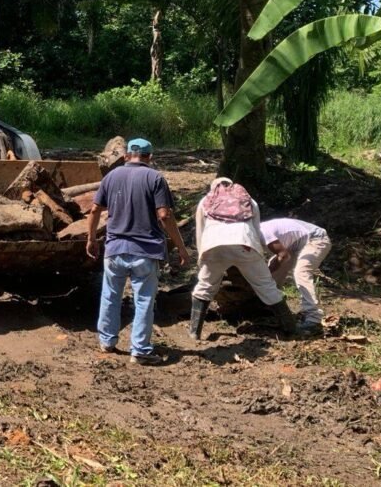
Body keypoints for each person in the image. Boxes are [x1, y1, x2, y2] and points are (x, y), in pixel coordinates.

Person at [86, 137, 190, 365]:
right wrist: (181, 248)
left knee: (110, 295)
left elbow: (94, 210)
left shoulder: (111, 177)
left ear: (125, 157)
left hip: (114, 249)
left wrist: (91, 238)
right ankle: (140, 350)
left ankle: (107, 341)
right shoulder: (155, 178)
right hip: (146, 250)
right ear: (150, 157)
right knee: (143, 300)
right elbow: (164, 215)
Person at [188, 178, 297, 339]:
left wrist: (202, 258)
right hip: (245, 244)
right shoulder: (248, 200)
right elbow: (256, 229)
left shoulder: (206, 201)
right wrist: (256, 253)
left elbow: (201, 231)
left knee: (205, 286)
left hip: (213, 245)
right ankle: (290, 328)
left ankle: (194, 333)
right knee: (266, 285)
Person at [260, 218, 332, 335]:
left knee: (301, 272)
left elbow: (283, 255)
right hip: (295, 245)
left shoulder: (261, 232)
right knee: (274, 273)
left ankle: (313, 320)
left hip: (316, 239)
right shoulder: (253, 234)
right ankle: (272, 306)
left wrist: (266, 273)